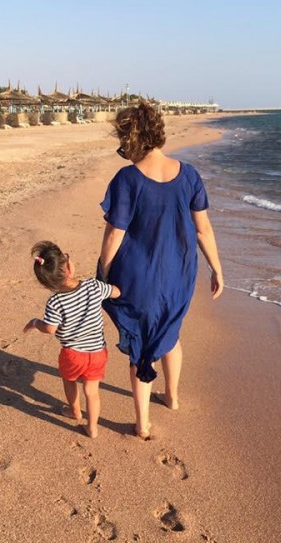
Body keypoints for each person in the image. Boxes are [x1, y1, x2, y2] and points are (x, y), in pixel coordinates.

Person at [98, 101, 224, 440]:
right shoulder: (189, 175)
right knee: (170, 333)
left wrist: (103, 271)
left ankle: (142, 424)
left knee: (140, 345)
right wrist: (216, 268)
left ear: (131, 138)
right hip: (178, 275)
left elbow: (114, 233)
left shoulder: (127, 179)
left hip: (137, 276)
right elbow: (203, 230)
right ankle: (172, 396)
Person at [23, 241, 120, 438]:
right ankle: (92, 427)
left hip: (72, 354)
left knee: (69, 380)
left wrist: (35, 322)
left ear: (47, 282)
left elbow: (50, 328)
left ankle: (74, 411)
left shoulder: (55, 301)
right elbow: (116, 292)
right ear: (68, 267)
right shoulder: (93, 286)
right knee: (92, 392)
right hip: (98, 352)